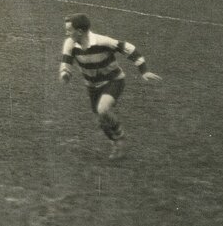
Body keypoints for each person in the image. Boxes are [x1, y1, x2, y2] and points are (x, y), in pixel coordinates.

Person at [58, 13, 162, 159]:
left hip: (113, 80)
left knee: (102, 110)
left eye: (69, 30)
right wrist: (65, 73)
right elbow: (66, 62)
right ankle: (116, 141)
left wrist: (144, 70)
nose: (67, 33)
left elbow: (128, 48)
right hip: (92, 86)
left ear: (80, 32)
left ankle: (120, 138)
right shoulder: (70, 43)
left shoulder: (103, 41)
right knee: (102, 120)